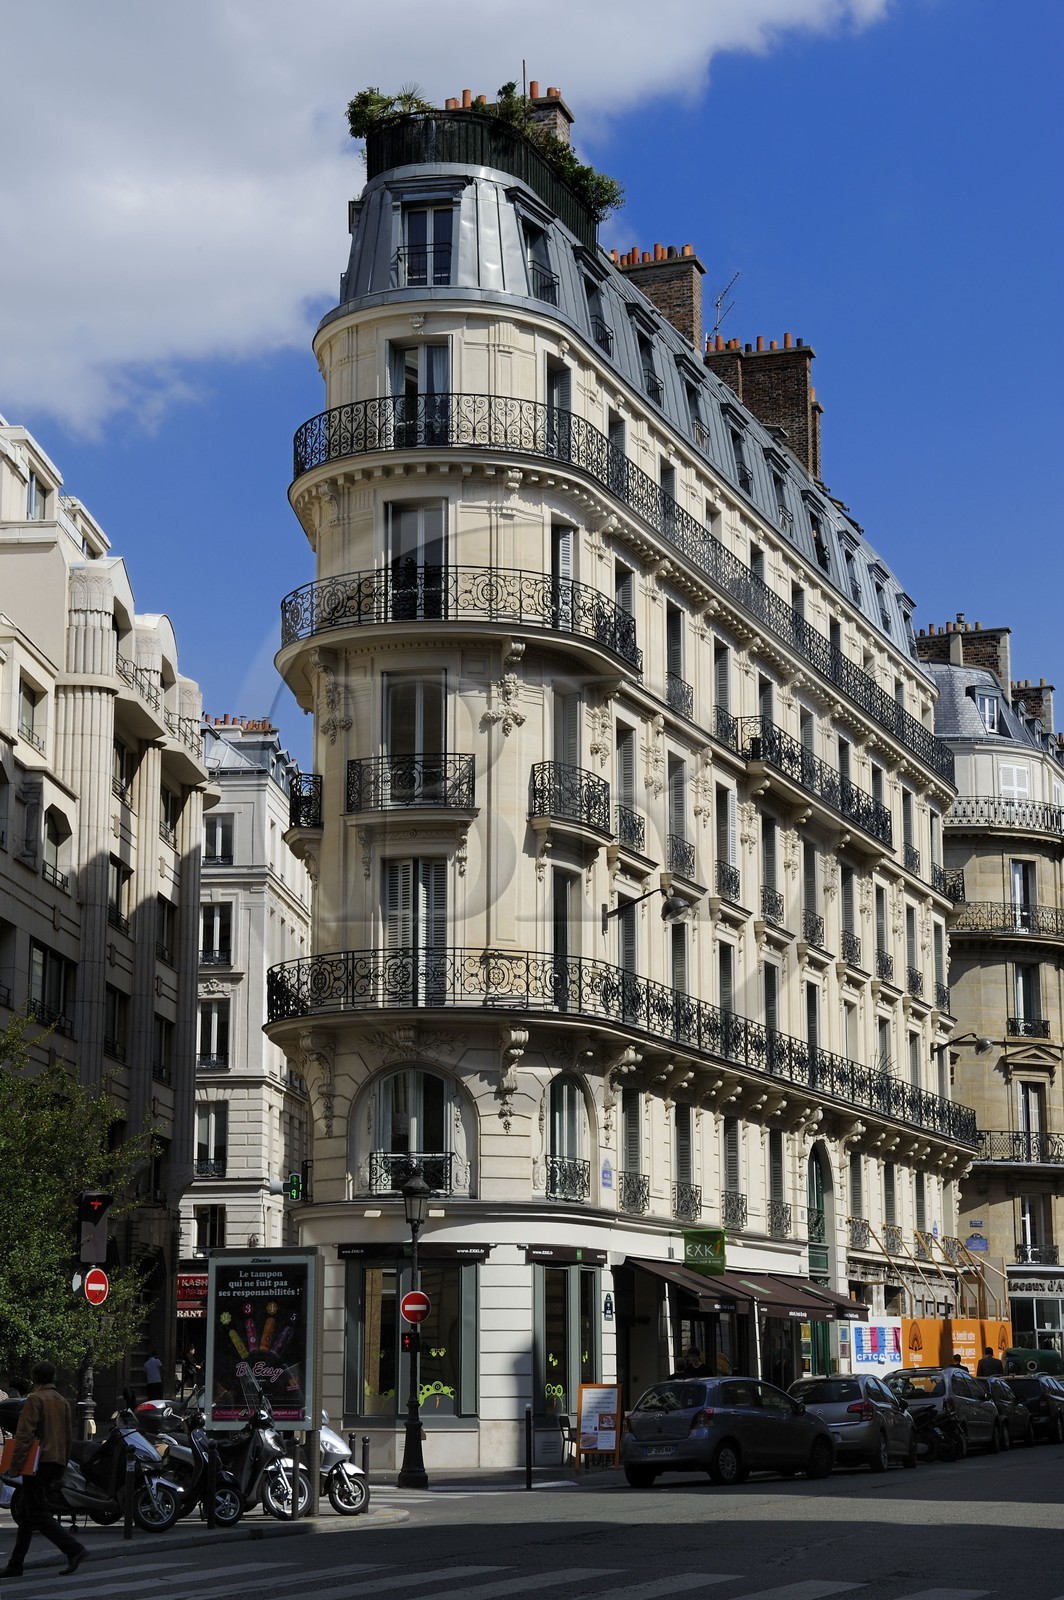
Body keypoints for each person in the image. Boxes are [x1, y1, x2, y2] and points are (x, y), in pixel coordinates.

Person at [0, 1360, 86, 1578]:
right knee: (28, 1514)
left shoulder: (35, 1400)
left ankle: (73, 1549)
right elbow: (68, 1437)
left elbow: (24, 1436)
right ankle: (16, 1563)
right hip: (55, 1461)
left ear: (36, 1378)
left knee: (37, 1514)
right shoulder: (62, 1401)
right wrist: (62, 1465)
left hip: (37, 1462)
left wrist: (14, 1466)